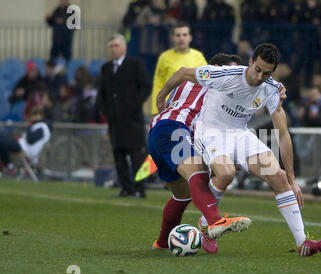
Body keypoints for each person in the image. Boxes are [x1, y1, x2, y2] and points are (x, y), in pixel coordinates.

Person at [156, 43, 321, 257]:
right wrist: (161, 97)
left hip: (240, 134)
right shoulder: (225, 74)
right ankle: (210, 225)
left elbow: (283, 135)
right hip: (210, 131)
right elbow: (183, 72)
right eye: (257, 69)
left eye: (266, 73)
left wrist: (293, 182)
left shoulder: (272, 90)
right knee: (226, 173)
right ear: (250, 62)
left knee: (278, 176)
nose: (259, 76)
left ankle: (302, 241)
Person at [149, 53, 251, 253]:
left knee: (183, 195)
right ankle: (214, 221)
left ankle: (161, 243)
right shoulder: (212, 87)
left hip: (157, 133)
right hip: (174, 128)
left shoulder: (192, 84)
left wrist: (161, 97)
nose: (232, 78)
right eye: (228, 71)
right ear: (214, 68)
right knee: (199, 175)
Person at [95, 34, 151, 198]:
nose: (113, 49)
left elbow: (146, 86)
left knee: (137, 155)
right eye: (111, 46)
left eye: (116, 46)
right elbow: (102, 91)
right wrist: (105, 109)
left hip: (132, 118)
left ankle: (140, 188)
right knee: (118, 155)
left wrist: (135, 104)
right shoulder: (106, 68)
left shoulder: (135, 64)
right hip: (115, 119)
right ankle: (126, 187)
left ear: (124, 47)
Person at [150, 22, 207, 115]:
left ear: (190, 38)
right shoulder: (164, 57)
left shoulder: (198, 56)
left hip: (192, 107)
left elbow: (205, 82)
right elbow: (158, 83)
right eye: (178, 35)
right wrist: (155, 108)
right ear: (172, 38)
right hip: (169, 106)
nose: (181, 38)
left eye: (184, 35)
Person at [0, 108, 51, 174]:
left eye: (36, 115)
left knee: (2, 142)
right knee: (2, 140)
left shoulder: (42, 126)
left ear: (42, 116)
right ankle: (9, 166)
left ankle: (10, 167)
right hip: (23, 146)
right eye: (33, 114)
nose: (34, 117)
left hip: (26, 149)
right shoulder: (36, 125)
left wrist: (29, 127)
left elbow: (31, 140)